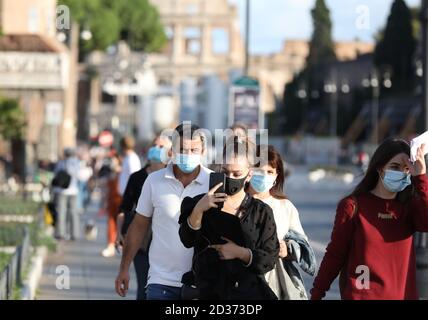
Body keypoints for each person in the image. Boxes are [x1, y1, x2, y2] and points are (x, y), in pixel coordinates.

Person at [311, 138, 428, 300]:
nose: (402, 173)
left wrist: (421, 177)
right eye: (395, 167)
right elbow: (335, 255)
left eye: (407, 169)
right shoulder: (352, 206)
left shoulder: (409, 208)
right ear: (380, 168)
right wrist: (317, 294)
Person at [115, 123, 212, 300]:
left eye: (194, 150)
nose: (188, 155)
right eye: (182, 149)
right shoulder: (153, 181)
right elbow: (138, 226)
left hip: (202, 283)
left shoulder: (213, 184)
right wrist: (124, 268)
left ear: (203, 152)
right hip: (161, 281)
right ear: (171, 152)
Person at [178, 136, 279, 300]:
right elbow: (187, 240)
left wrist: (240, 253)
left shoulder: (261, 212)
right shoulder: (200, 202)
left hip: (247, 295)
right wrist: (198, 210)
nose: (230, 176)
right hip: (207, 292)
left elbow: (269, 259)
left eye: (237, 173)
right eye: (225, 172)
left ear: (249, 174)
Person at [247, 145, 315, 300]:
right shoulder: (236, 201)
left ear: (277, 175)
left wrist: (288, 249)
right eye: (258, 170)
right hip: (240, 282)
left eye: (270, 172)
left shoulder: (285, 206)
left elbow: (303, 244)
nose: (264, 176)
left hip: (275, 283)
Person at [115, 134, 172, 300]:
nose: (157, 149)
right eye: (155, 145)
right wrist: (119, 232)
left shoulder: (174, 178)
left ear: (170, 152)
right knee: (145, 286)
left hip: (166, 242)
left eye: (162, 146)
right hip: (142, 241)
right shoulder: (137, 178)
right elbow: (124, 208)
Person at [52, 148, 81, 240]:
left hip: (62, 190)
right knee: (73, 212)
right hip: (74, 190)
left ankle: (60, 233)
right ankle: (74, 234)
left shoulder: (61, 163)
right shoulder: (77, 163)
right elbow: (79, 175)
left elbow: (56, 174)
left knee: (61, 211)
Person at [101, 151, 122, 257]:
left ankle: (120, 245)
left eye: (114, 159)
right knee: (111, 223)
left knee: (122, 225)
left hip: (121, 201)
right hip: (112, 200)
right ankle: (110, 245)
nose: (112, 162)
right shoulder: (112, 173)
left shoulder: (123, 171)